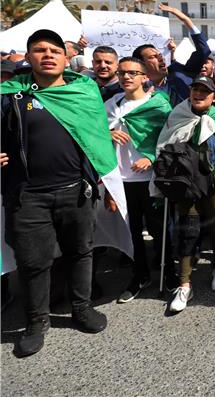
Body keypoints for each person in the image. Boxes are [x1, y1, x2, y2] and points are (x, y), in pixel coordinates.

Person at [1, 29, 110, 357]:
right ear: (27, 57)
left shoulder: (84, 91)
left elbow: (96, 133)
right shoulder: (11, 96)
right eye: (39, 50)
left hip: (76, 190)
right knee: (34, 261)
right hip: (27, 195)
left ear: (66, 58)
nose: (47, 55)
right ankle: (36, 322)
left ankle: (81, 308)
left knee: (81, 251)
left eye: (54, 50)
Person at [155, 75, 215, 312]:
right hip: (186, 184)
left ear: (214, 97)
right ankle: (184, 285)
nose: (199, 94)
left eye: (205, 91)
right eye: (195, 89)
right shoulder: (178, 116)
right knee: (188, 230)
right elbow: (165, 147)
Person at [103, 57, 172, 303]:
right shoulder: (110, 105)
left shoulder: (159, 105)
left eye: (132, 72)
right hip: (120, 181)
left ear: (145, 77)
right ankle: (140, 276)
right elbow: (96, 138)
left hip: (150, 179)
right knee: (131, 233)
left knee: (158, 229)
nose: (126, 77)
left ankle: (170, 274)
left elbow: (170, 139)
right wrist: (107, 133)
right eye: (121, 73)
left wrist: (151, 157)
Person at [132, 4, 210, 106]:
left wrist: (185, 20)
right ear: (141, 65)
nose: (160, 58)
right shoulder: (135, 87)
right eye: (153, 57)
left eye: (160, 55)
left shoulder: (180, 74)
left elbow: (203, 51)